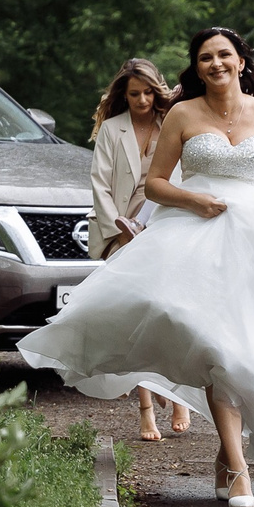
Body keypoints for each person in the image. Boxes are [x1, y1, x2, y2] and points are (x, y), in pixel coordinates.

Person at [21, 27, 254, 507]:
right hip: (194, 237)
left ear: (242, 62)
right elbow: (156, 185)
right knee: (215, 344)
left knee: (250, 350)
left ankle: (227, 457)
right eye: (205, 58)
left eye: (224, 55)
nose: (216, 64)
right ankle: (240, 469)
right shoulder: (182, 113)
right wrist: (194, 198)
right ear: (196, 67)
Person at [88, 59, 189, 441]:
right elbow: (99, 184)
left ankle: (179, 396)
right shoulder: (112, 131)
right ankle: (146, 409)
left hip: (166, 224)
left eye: (149, 92)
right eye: (134, 94)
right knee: (137, 322)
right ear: (122, 94)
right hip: (121, 230)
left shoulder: (173, 122)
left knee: (172, 317)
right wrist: (118, 226)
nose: (143, 100)